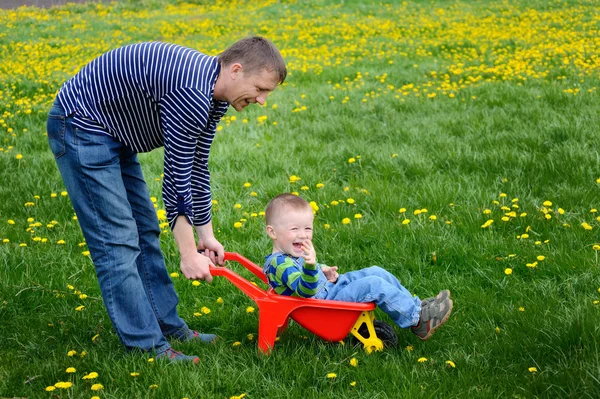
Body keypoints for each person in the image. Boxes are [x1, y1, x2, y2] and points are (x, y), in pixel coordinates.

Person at [46, 37, 286, 363]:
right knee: (117, 242)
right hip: (81, 125)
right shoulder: (192, 93)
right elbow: (175, 181)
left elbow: (196, 166)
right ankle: (148, 348)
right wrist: (188, 254)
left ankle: (167, 325)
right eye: (260, 89)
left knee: (144, 230)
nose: (262, 100)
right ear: (236, 70)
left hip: (113, 131)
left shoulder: (215, 95)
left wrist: (206, 236)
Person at [263, 193, 453, 341]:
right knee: (374, 285)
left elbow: (302, 269)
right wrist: (311, 266)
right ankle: (418, 320)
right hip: (324, 304)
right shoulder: (278, 264)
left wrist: (322, 269)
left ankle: (416, 306)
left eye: (308, 228)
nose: (303, 235)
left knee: (376, 271)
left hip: (330, 290)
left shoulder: (289, 254)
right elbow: (304, 290)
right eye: (294, 229)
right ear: (272, 232)